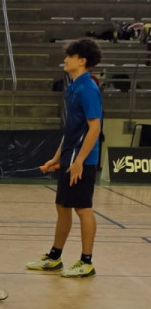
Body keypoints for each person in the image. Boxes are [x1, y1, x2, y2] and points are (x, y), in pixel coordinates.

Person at [26, 38, 103, 278]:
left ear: (82, 61)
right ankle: (54, 257)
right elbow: (72, 130)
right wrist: (57, 157)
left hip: (82, 159)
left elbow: (94, 128)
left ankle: (86, 262)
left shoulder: (88, 88)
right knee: (62, 206)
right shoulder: (72, 87)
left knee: (83, 208)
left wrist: (79, 161)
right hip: (70, 156)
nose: (65, 59)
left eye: (70, 56)